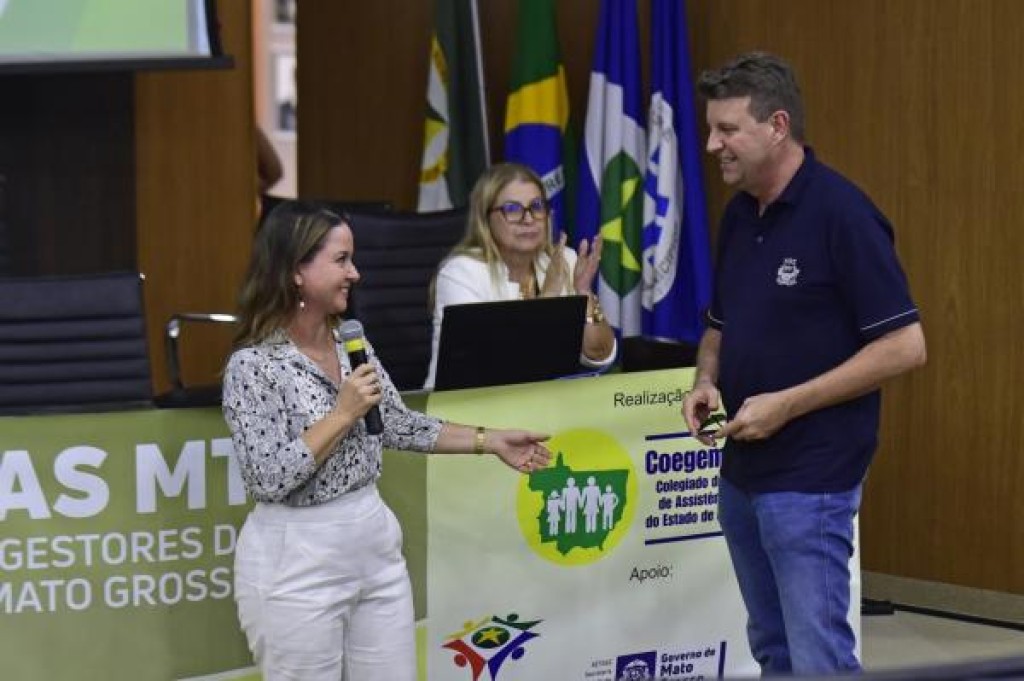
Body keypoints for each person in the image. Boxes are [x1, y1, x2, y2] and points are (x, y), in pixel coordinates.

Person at [221, 200, 551, 681]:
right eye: (341, 260)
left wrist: (491, 440)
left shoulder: (349, 342)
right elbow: (268, 477)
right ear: (295, 271)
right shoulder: (252, 365)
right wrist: (342, 414)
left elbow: (396, 423)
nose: (354, 274)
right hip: (296, 559)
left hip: (373, 543)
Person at [680, 52, 927, 676]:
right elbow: (719, 325)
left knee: (819, 660)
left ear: (778, 126)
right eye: (711, 129)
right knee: (773, 650)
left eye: (727, 130)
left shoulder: (844, 214)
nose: (711, 146)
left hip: (813, 477)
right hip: (741, 472)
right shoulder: (739, 215)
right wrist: (706, 379)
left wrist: (787, 404)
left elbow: (905, 345)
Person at [424, 162, 617, 389]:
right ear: (485, 219)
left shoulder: (563, 260)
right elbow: (494, 368)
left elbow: (600, 356)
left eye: (536, 206)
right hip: (465, 403)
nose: (528, 219)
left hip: (544, 402)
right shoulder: (461, 273)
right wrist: (550, 297)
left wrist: (584, 292)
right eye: (512, 209)